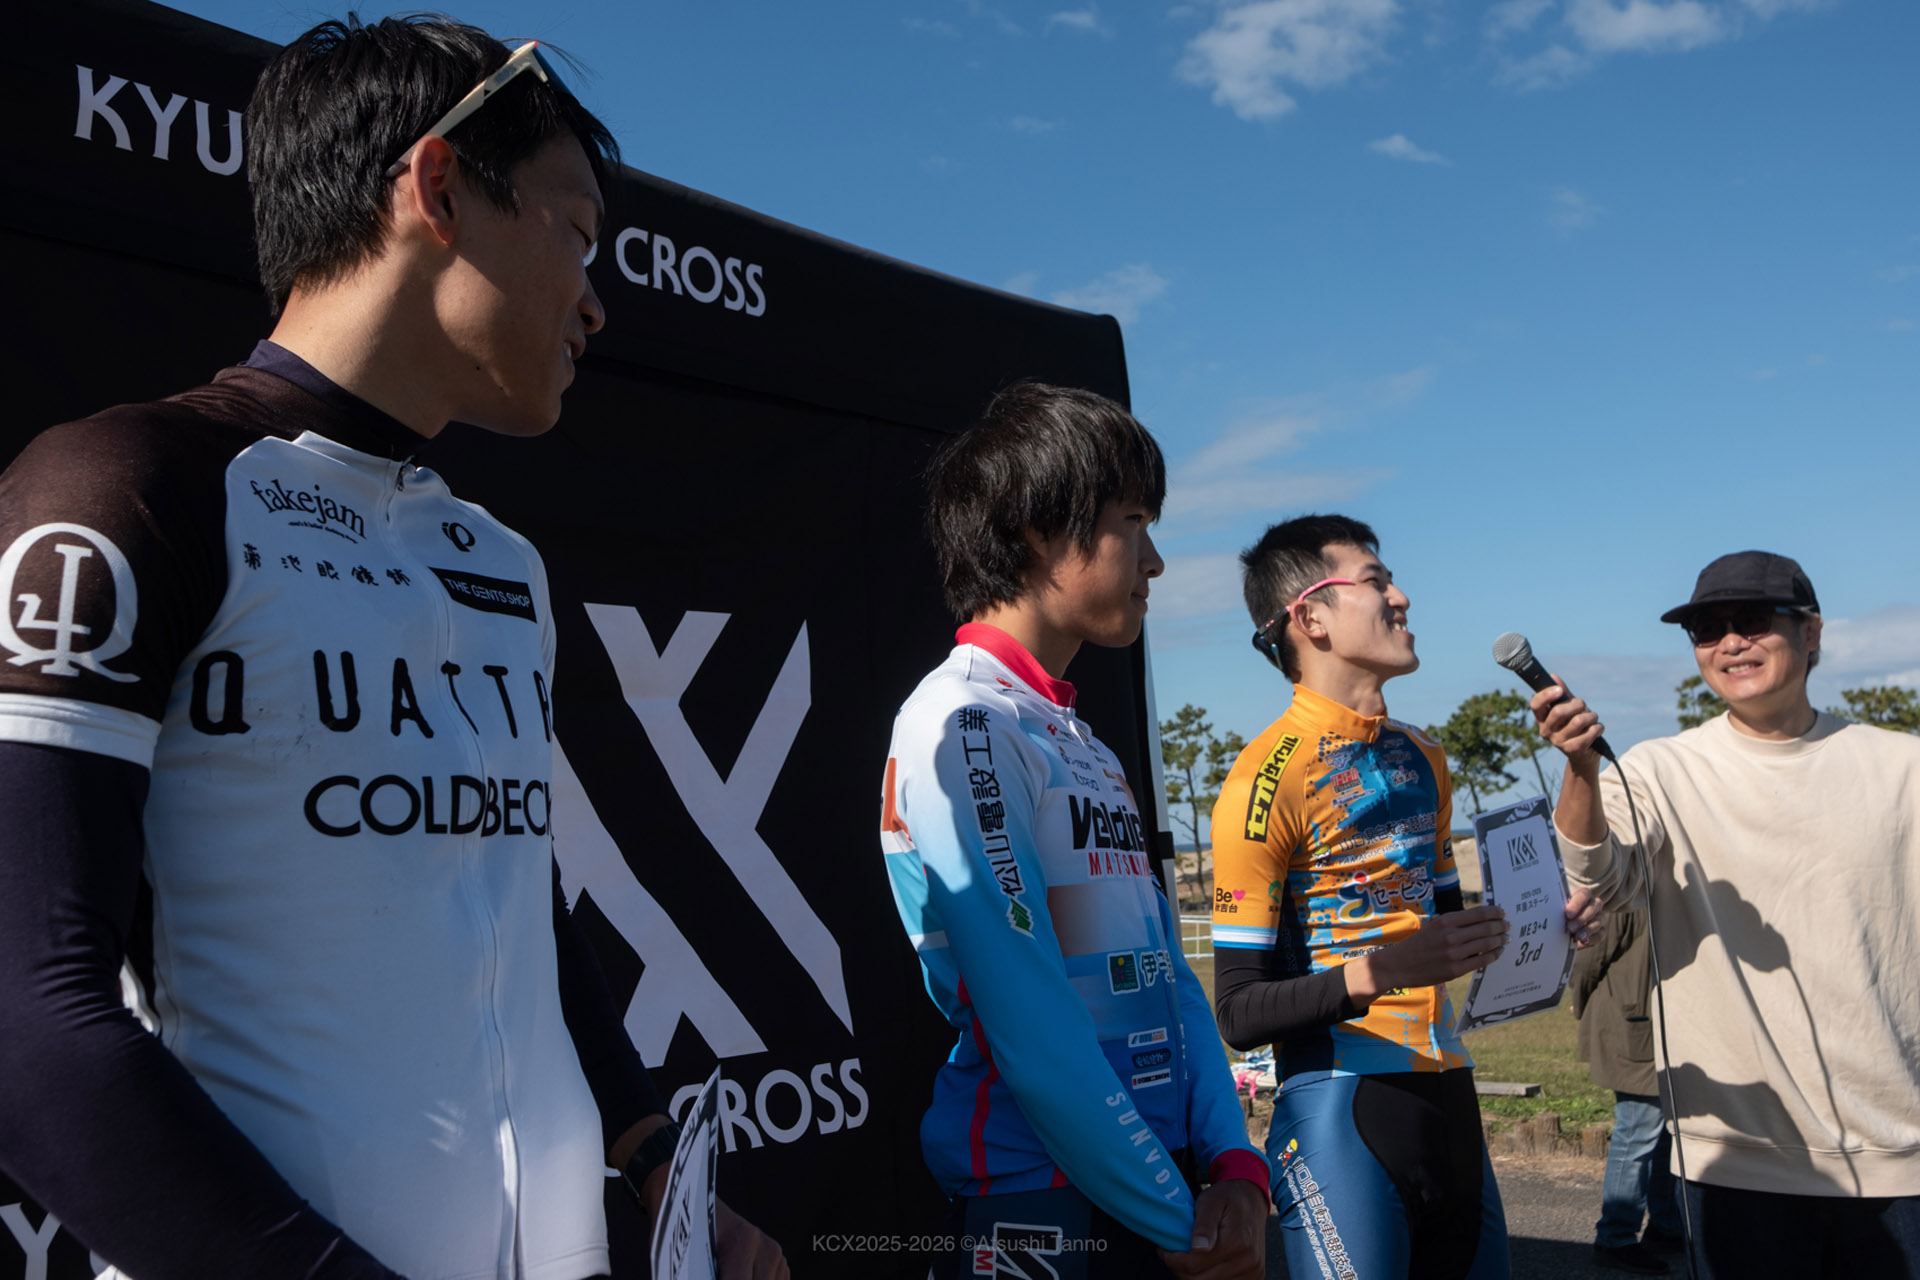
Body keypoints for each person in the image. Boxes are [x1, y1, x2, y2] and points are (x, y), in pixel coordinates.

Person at [0, 17, 782, 1279]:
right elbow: (26, 1019)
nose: (595, 300)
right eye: (577, 234)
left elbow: (517, 898)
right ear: (438, 188)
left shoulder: (498, 558)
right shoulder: (123, 486)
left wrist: (652, 1159)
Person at [879, 383, 1269, 1279]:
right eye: (1133, 522)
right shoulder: (963, 723)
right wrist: (1179, 1219)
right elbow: (1031, 1025)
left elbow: (1171, 975)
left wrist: (1234, 1164)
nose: (1155, 561)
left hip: (1155, 1187)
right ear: (1035, 530)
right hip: (1042, 1197)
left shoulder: (1079, 741)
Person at [1209, 513, 1601, 1280]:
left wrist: (1541, 921)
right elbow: (1239, 1012)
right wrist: (1384, 970)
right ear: (1310, 618)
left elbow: (1451, 933)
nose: (1402, 597)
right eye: (1376, 581)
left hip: (1449, 1095)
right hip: (1340, 1107)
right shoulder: (1265, 776)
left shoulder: (1423, 755)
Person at [1531, 549, 1920, 1279]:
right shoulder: (1658, 769)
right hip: (1733, 1158)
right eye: (1707, 629)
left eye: (1752, 620)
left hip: (1898, 1154)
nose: (1730, 642)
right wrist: (1580, 768)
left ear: (1812, 632)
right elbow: (1598, 872)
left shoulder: (1904, 767)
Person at [1570, 909, 1683, 1274]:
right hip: (1633, 1022)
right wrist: (1580, 1000)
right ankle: (1615, 1237)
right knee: (1638, 1131)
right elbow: (1589, 956)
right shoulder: (1627, 891)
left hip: (1662, 1023)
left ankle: (1666, 1225)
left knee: (1664, 1132)